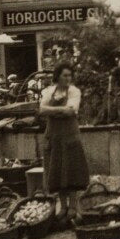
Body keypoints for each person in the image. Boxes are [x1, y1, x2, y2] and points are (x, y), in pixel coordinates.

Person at [39, 62, 90, 224]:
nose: (68, 78)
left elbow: (71, 110)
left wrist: (52, 111)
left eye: (70, 75)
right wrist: (60, 110)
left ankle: (73, 206)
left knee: (71, 169)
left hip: (70, 136)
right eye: (65, 75)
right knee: (57, 170)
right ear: (58, 76)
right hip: (54, 136)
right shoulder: (49, 91)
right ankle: (63, 207)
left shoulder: (74, 91)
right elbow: (42, 109)